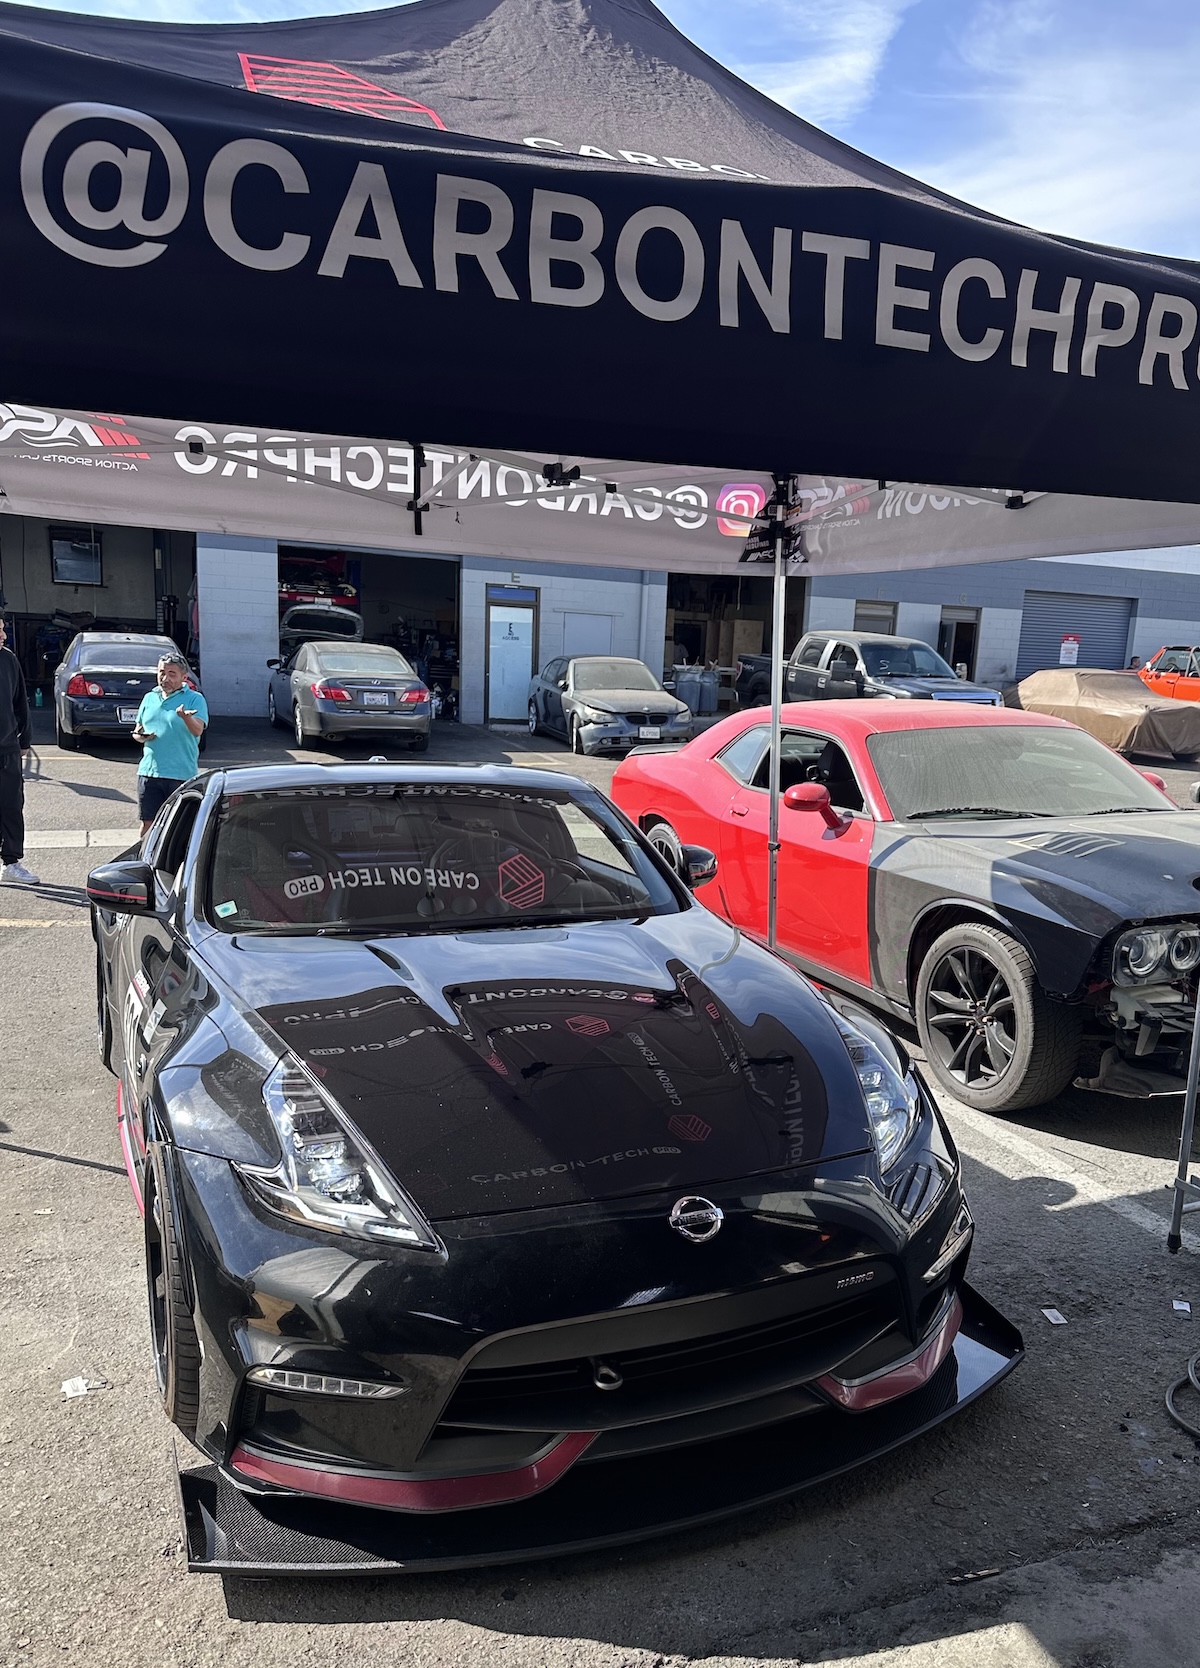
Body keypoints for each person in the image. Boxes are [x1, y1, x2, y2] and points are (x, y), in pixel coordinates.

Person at [133, 652, 208, 834]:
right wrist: (141, 736)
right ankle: (145, 852)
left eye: (171, 674)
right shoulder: (149, 698)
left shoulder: (195, 699)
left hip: (180, 774)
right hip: (150, 772)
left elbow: (198, 730)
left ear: (184, 677)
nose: (165, 678)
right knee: (148, 824)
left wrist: (185, 718)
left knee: (180, 827)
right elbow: (138, 730)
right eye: (161, 672)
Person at [0, 614, 38, 886]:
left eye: (2, 629)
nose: (3, 635)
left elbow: (20, 702)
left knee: (12, 806)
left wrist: (25, 739)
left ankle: (11, 863)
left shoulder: (9, 660)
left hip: (7, 748)